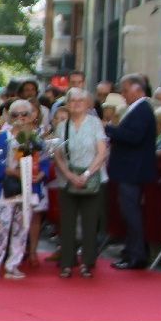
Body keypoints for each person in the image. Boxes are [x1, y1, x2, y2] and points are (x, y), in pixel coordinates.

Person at [46, 86, 109, 278]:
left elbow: (102, 151)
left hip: (93, 177)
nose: (76, 105)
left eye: (80, 102)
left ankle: (88, 262)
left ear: (87, 104)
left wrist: (88, 173)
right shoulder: (62, 125)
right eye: (72, 101)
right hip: (67, 179)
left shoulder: (94, 123)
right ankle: (67, 261)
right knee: (67, 222)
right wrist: (69, 174)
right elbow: (57, 154)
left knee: (90, 222)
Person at [103, 72, 157, 269]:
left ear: (137, 89)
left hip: (133, 171)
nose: (123, 94)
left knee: (131, 211)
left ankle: (136, 254)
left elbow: (133, 137)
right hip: (129, 170)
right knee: (128, 211)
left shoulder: (142, 110)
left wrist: (109, 129)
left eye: (125, 90)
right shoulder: (137, 109)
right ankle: (132, 250)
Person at [0, 99, 40, 281]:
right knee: (1, 227)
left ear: (31, 116)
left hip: (28, 189)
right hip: (7, 189)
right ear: (9, 116)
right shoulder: (3, 137)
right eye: (16, 115)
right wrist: (13, 172)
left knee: (22, 228)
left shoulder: (35, 137)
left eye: (24, 114)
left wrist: (40, 174)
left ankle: (13, 264)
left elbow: (44, 161)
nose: (20, 118)